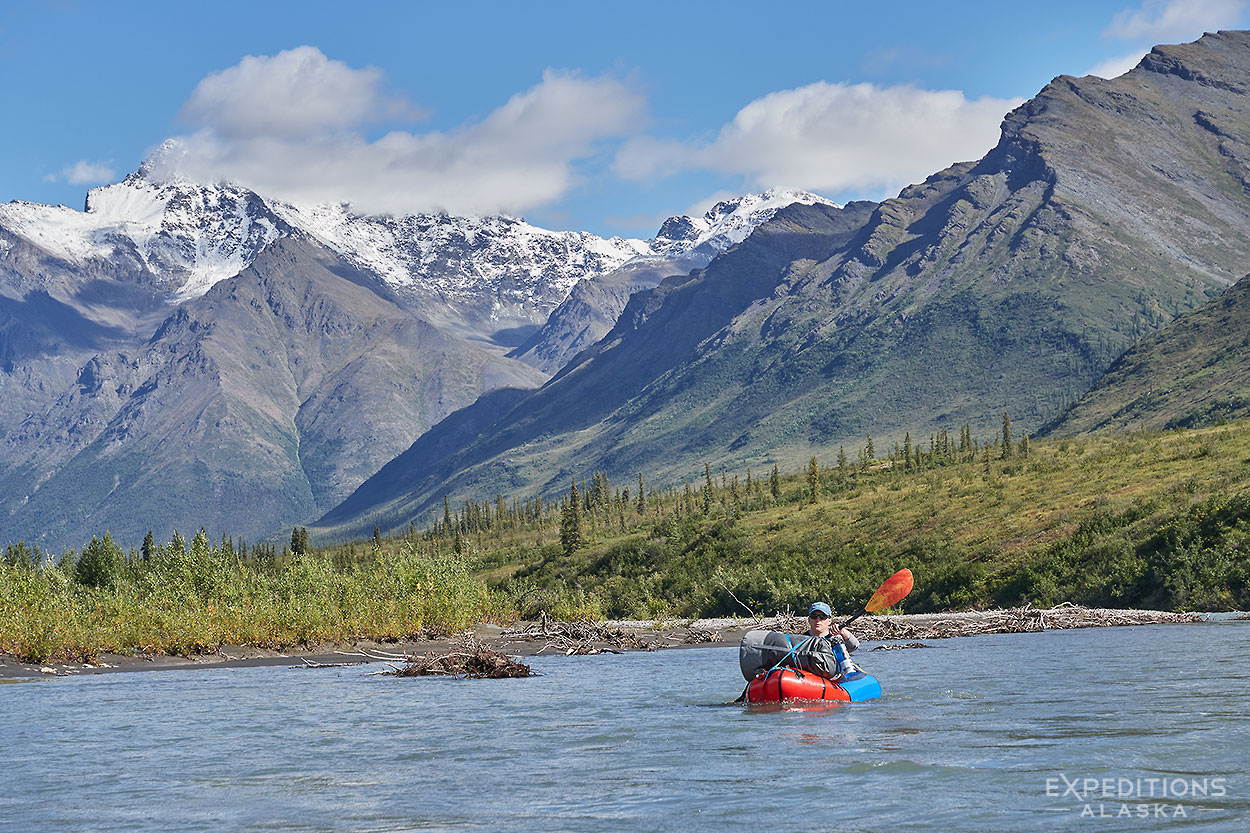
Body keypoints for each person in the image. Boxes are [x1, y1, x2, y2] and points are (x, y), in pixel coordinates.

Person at [806, 601, 859, 678]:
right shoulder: (803, 639)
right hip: (810, 678)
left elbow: (854, 646)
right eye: (814, 616)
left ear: (829, 620)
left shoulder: (836, 639)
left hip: (833, 678)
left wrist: (842, 631)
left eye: (822, 617)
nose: (818, 620)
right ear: (809, 619)